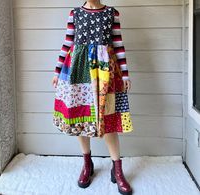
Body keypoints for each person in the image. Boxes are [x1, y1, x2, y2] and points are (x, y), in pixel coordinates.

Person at [52, 1, 134, 194]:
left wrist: (125, 74)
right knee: (80, 115)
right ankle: (87, 163)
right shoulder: (75, 13)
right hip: (79, 70)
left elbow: (118, 45)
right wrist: (57, 72)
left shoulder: (112, 13)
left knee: (108, 118)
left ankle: (117, 169)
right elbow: (67, 43)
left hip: (106, 72)